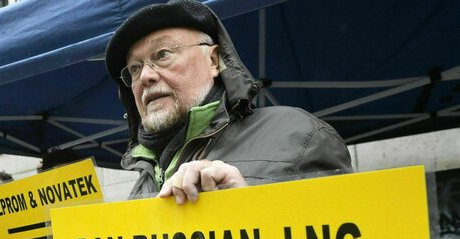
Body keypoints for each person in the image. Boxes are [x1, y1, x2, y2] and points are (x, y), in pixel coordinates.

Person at [104, 0, 352, 203]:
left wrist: (247, 209)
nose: (145, 76)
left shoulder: (300, 137)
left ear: (213, 61)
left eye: (163, 54)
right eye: (134, 69)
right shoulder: (143, 179)